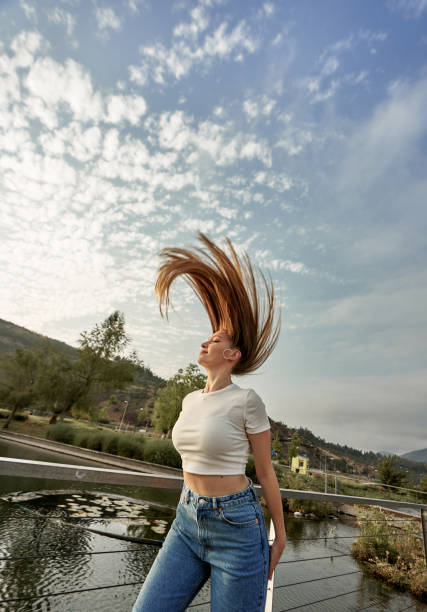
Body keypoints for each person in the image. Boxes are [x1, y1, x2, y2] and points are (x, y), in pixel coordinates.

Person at [132, 233, 286, 611]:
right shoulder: (188, 400)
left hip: (236, 527)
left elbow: (265, 473)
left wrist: (280, 535)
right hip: (186, 519)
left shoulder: (248, 401)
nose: (206, 343)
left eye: (215, 340)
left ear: (232, 355)